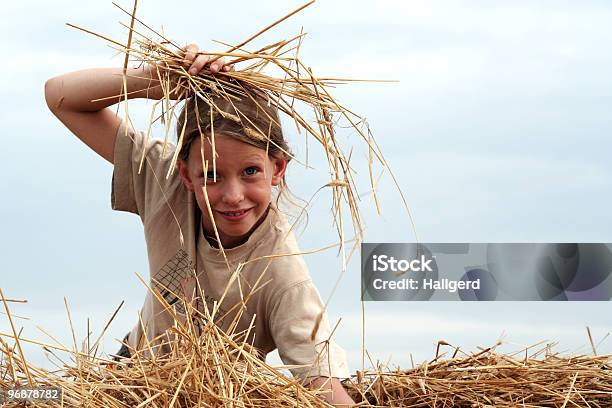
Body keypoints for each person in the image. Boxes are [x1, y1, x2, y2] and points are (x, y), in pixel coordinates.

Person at [44, 44, 355, 406]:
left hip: (211, 397)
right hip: (133, 379)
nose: (233, 195)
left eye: (250, 171)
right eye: (211, 175)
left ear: (278, 168)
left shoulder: (283, 274)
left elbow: (320, 382)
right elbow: (60, 98)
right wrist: (156, 81)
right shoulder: (165, 184)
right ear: (185, 175)